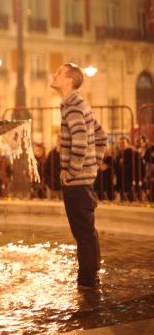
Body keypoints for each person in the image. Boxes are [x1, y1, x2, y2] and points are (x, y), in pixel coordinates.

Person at [50, 63, 107, 289]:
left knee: (83, 234)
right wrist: (94, 164)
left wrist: (72, 171)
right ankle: (91, 277)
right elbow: (101, 136)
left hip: (77, 182)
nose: (54, 74)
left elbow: (82, 141)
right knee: (86, 232)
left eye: (58, 72)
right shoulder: (78, 103)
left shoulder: (73, 105)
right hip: (84, 180)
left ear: (68, 81)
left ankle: (88, 283)